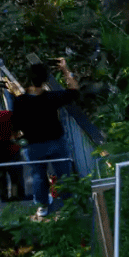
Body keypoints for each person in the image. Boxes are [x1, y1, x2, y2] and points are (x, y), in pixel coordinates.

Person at [12, 58, 79, 218]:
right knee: (64, 174)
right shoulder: (52, 98)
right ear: (45, 80)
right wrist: (65, 69)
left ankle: (42, 207)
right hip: (56, 142)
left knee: (38, 177)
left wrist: (20, 141)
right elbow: (74, 90)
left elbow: (15, 128)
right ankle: (68, 204)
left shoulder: (19, 102)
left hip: (33, 147)